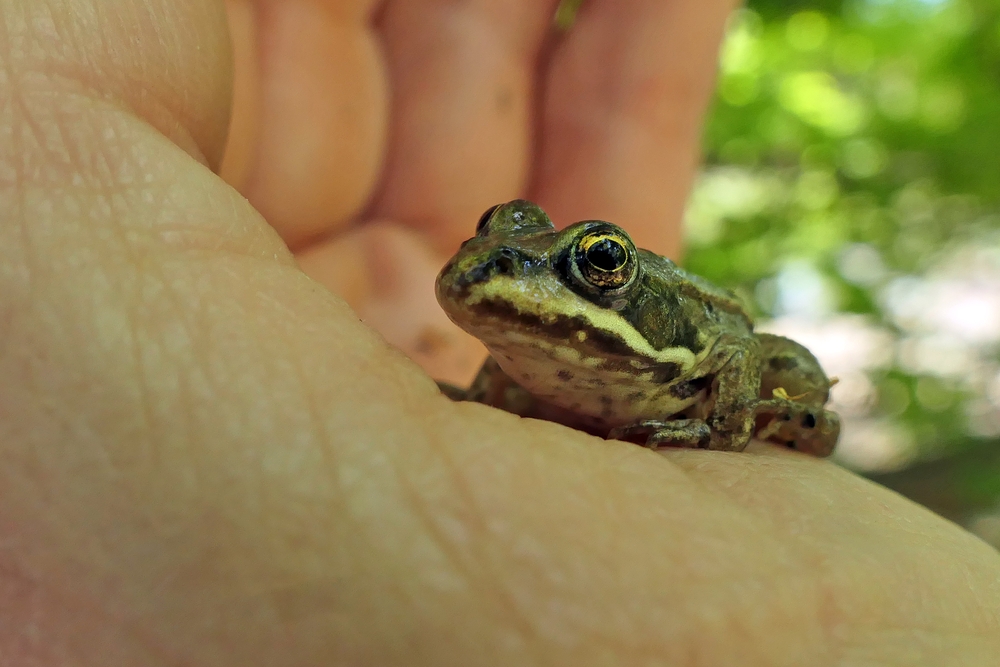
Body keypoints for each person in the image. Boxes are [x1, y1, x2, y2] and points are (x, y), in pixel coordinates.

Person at [2, 0, 997, 663]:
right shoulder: (513, 348)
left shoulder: (709, 356)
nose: (511, 268)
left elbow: (783, 366)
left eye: (591, 263)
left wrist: (730, 417)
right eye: (501, 243)